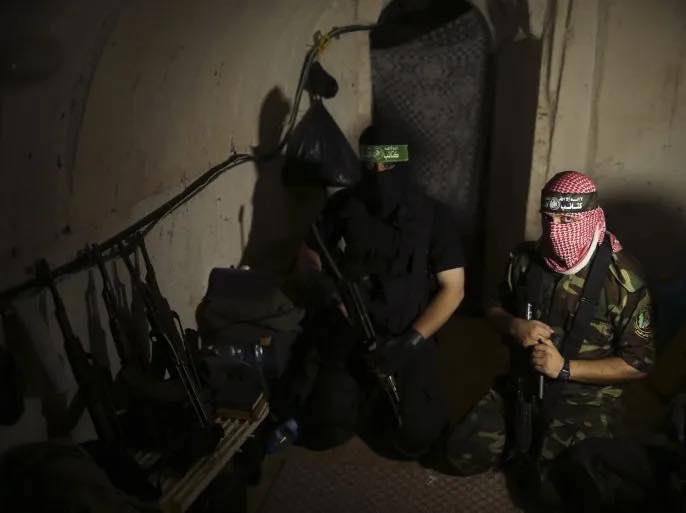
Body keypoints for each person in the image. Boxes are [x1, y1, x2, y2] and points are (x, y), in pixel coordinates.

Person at [445, 171, 655, 501]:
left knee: (565, 493)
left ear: (591, 217)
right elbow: (492, 305)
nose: (556, 231)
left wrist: (566, 368)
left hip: (584, 399)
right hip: (524, 384)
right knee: (460, 453)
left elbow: (638, 363)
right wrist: (513, 325)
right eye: (549, 218)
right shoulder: (524, 259)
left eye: (567, 220)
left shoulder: (623, 282)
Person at [284, 125, 465, 458]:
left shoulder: (434, 216)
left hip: (406, 334)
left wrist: (410, 342)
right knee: (322, 428)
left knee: (417, 437)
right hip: (350, 332)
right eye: (371, 165)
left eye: (388, 165)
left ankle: (377, 401)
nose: (379, 174)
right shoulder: (345, 204)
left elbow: (453, 290)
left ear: (404, 164)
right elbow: (309, 252)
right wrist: (322, 286)